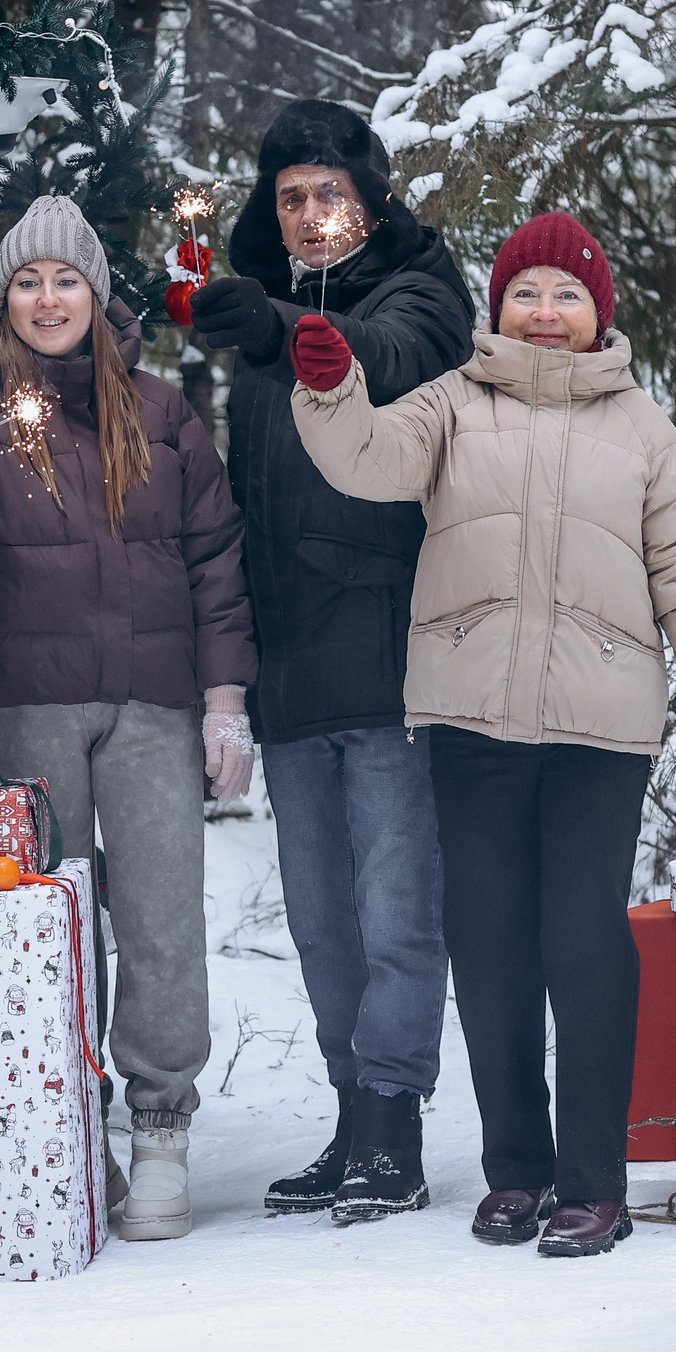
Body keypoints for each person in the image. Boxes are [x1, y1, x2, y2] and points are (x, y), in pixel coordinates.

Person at [285, 211, 676, 1256]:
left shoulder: (642, 433)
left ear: (597, 312)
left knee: (579, 937)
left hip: (598, 726)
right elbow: (367, 460)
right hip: (468, 713)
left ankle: (591, 1181)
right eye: (526, 293)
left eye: (566, 295)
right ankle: (514, 1172)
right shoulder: (451, 405)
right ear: (499, 307)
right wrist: (331, 386)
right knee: (484, 949)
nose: (546, 312)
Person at [0, 195, 257, 1240]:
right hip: (28, 702)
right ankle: (61, 1123)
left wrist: (225, 699)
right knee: (38, 920)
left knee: (158, 918)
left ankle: (158, 1132)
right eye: (26, 280)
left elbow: (215, 560)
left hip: (154, 701)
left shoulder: (162, 409)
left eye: (65, 279)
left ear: (96, 293)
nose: (47, 298)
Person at [187, 100, 475, 1222]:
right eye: (291, 199)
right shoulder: (259, 312)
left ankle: (395, 1124)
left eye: (330, 197)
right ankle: (352, 1113)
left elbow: (398, 354)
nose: (310, 219)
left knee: (398, 903)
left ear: (369, 202)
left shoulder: (417, 287)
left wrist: (285, 335)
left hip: (397, 650)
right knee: (318, 915)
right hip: (291, 661)